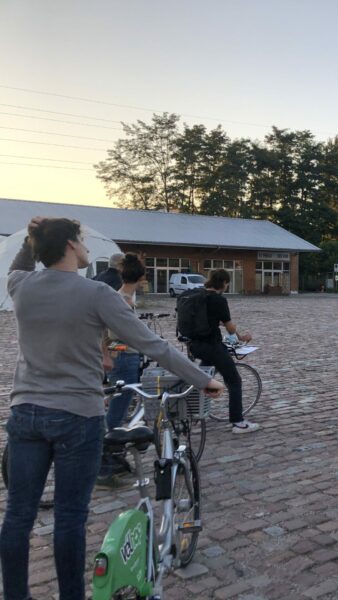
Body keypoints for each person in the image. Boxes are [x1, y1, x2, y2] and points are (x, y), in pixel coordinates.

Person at [0, 217, 223, 600]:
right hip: (77, 415)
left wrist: (30, 240)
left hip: (26, 412)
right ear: (71, 245)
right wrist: (202, 379)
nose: (89, 250)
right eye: (84, 242)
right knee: (70, 517)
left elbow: (16, 267)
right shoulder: (96, 294)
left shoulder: (23, 286)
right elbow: (152, 344)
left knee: (18, 515)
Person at [187, 268, 260, 433]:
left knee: (201, 378)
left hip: (195, 345)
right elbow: (230, 327)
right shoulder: (218, 300)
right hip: (212, 345)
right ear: (225, 283)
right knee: (234, 380)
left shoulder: (198, 296)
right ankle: (238, 422)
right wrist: (242, 337)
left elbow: (210, 320)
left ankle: (191, 412)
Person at [97, 253, 148, 484]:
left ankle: (112, 457)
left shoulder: (122, 296)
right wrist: (123, 347)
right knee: (117, 412)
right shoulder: (124, 300)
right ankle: (104, 463)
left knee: (118, 407)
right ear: (141, 277)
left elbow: (108, 334)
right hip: (125, 360)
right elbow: (117, 336)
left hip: (122, 356)